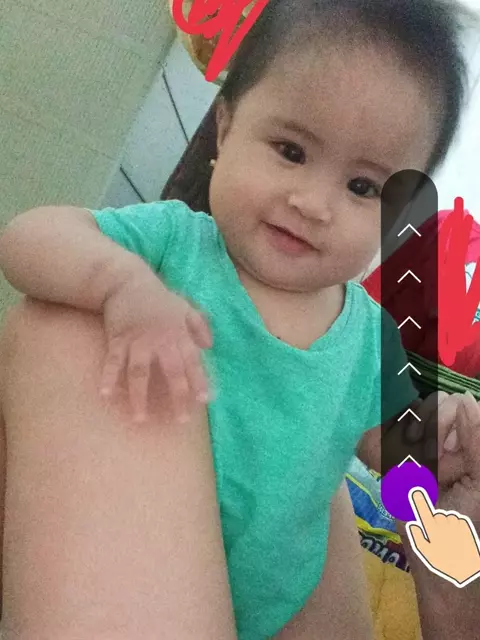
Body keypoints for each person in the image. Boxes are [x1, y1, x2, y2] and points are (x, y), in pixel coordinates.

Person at [0, 0, 477, 638]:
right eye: (291, 150)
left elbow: (394, 464)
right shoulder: (176, 245)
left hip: (278, 607)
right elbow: (29, 240)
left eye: (363, 187)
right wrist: (118, 285)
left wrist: (440, 447)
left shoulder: (370, 337)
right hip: (133, 567)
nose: (313, 204)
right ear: (225, 129)